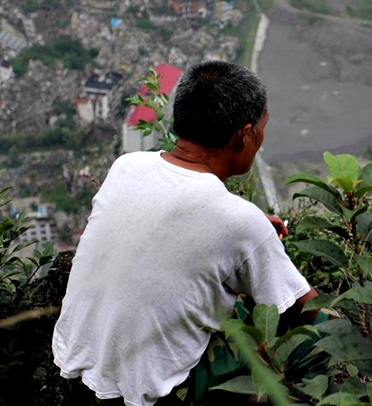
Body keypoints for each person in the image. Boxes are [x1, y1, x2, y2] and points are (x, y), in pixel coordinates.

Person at [52, 61, 319, 406]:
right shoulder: (240, 222)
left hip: (77, 372)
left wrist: (245, 231)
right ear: (244, 135)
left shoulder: (126, 166)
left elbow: (161, 225)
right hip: (153, 398)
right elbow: (307, 308)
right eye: (262, 128)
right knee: (305, 339)